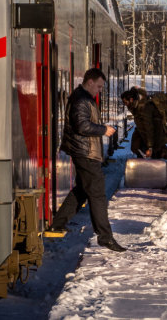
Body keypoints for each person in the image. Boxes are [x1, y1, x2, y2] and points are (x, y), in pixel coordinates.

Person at [48, 68, 126, 252]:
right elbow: (82, 126)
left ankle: (57, 224)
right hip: (85, 152)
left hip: (85, 151)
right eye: (98, 86)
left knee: (82, 190)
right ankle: (105, 237)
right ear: (89, 82)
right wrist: (103, 129)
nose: (99, 90)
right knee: (97, 194)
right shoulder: (81, 99)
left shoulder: (83, 97)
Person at [121, 87, 167, 159]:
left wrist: (150, 147)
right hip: (147, 134)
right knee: (137, 147)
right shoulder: (136, 106)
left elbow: (149, 128)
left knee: (155, 157)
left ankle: (161, 157)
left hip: (155, 135)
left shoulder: (144, 108)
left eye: (125, 102)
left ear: (131, 100)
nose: (125, 105)